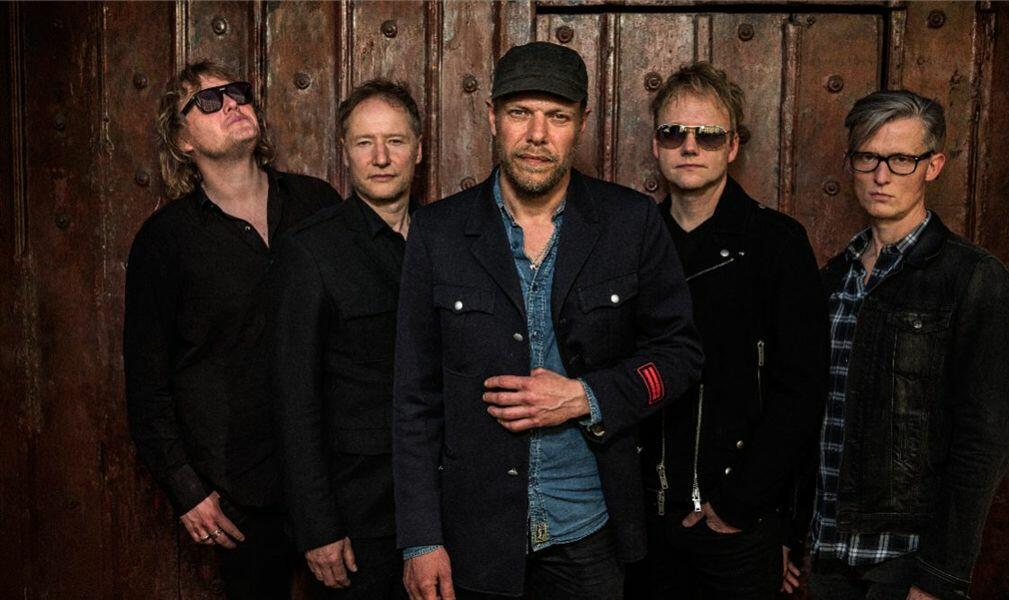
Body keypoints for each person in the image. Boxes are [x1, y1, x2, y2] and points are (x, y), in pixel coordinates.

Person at [392, 41, 703, 600]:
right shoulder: (438, 233)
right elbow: (414, 399)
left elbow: (679, 354)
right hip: (473, 535)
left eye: (557, 117)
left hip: (589, 529)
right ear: (492, 117)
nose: (537, 135)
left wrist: (587, 396)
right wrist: (420, 539)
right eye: (520, 113)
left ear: (581, 124)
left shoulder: (629, 223)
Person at [124, 59, 340, 598]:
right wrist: (186, 489)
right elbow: (147, 384)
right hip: (236, 491)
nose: (232, 105)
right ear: (182, 140)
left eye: (238, 93)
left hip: (333, 475)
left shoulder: (317, 204)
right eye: (208, 101)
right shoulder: (165, 240)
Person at [806, 89, 1009, 600]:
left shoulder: (972, 278)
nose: (881, 176)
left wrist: (940, 575)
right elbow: (811, 413)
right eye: (868, 157)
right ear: (851, 163)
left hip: (906, 561)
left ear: (933, 165)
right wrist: (794, 534)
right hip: (827, 552)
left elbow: (985, 441)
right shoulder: (832, 278)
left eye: (901, 159)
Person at [640, 62, 828, 599]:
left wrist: (739, 506)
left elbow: (802, 391)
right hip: (641, 524)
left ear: (733, 146)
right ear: (656, 145)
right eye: (673, 132)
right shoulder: (635, 240)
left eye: (708, 134)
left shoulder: (777, 243)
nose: (689, 146)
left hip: (736, 523)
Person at [268, 79, 422, 599]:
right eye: (364, 142)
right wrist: (318, 528)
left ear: (418, 149)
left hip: (437, 505)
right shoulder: (310, 251)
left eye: (395, 141)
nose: (381, 157)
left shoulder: (443, 238)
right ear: (345, 152)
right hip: (357, 516)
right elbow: (293, 401)